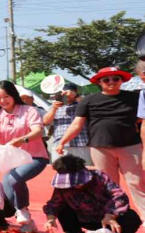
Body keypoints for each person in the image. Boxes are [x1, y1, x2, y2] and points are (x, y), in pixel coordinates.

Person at [57, 67, 145, 218]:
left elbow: (141, 119)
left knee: (137, 182)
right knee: (108, 185)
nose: (111, 82)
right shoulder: (88, 101)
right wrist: (63, 142)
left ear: (121, 81)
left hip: (131, 146)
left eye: (115, 79)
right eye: (106, 79)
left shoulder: (135, 98)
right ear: (99, 82)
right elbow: (77, 124)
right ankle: (114, 216)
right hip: (100, 148)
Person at [0, 80, 48, 233]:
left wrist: (23, 140)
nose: (3, 101)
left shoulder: (29, 110)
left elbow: (37, 131)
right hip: (10, 161)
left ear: (14, 96)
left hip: (34, 157)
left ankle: (22, 210)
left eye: (6, 96)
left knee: (13, 179)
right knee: (9, 187)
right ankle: (28, 222)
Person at [43, 154, 142, 233]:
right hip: (83, 219)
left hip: (107, 220)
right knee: (63, 208)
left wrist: (110, 215)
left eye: (78, 183)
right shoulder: (62, 187)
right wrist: (51, 219)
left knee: (132, 217)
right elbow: (54, 204)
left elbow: (118, 195)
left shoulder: (99, 177)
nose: (75, 186)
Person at [44, 83, 91, 164]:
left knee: (84, 172)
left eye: (69, 92)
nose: (66, 95)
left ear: (76, 92)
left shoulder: (82, 104)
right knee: (61, 172)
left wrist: (76, 96)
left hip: (81, 144)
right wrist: (54, 109)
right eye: (63, 92)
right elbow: (45, 121)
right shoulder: (54, 106)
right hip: (59, 145)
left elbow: (90, 105)